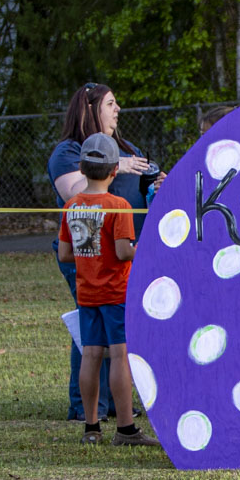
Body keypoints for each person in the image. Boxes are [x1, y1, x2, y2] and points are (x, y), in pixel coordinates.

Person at [47, 82, 157, 423]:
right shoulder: (67, 152)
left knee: (117, 331)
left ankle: (115, 406)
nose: (118, 109)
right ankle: (86, 409)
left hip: (126, 256)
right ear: (90, 108)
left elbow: (144, 188)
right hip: (91, 258)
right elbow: (74, 193)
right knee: (94, 334)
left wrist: (156, 183)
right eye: (110, 103)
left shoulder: (127, 147)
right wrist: (116, 165)